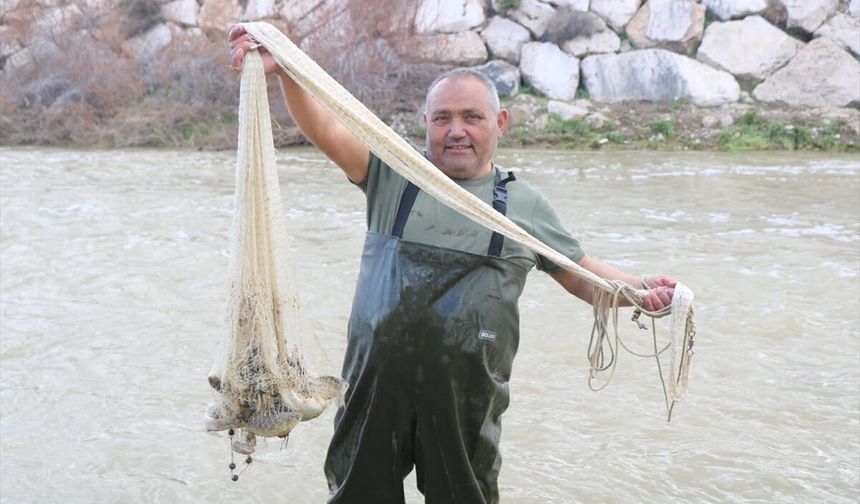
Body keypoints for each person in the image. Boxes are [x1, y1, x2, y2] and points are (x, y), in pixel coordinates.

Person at [228, 24, 676, 504]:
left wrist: (638, 289)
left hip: (467, 402)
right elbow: (326, 128)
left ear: (500, 122)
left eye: (471, 117)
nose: (456, 130)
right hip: (374, 392)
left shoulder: (524, 205)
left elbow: (581, 273)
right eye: (442, 118)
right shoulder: (392, 173)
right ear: (425, 121)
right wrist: (286, 72)